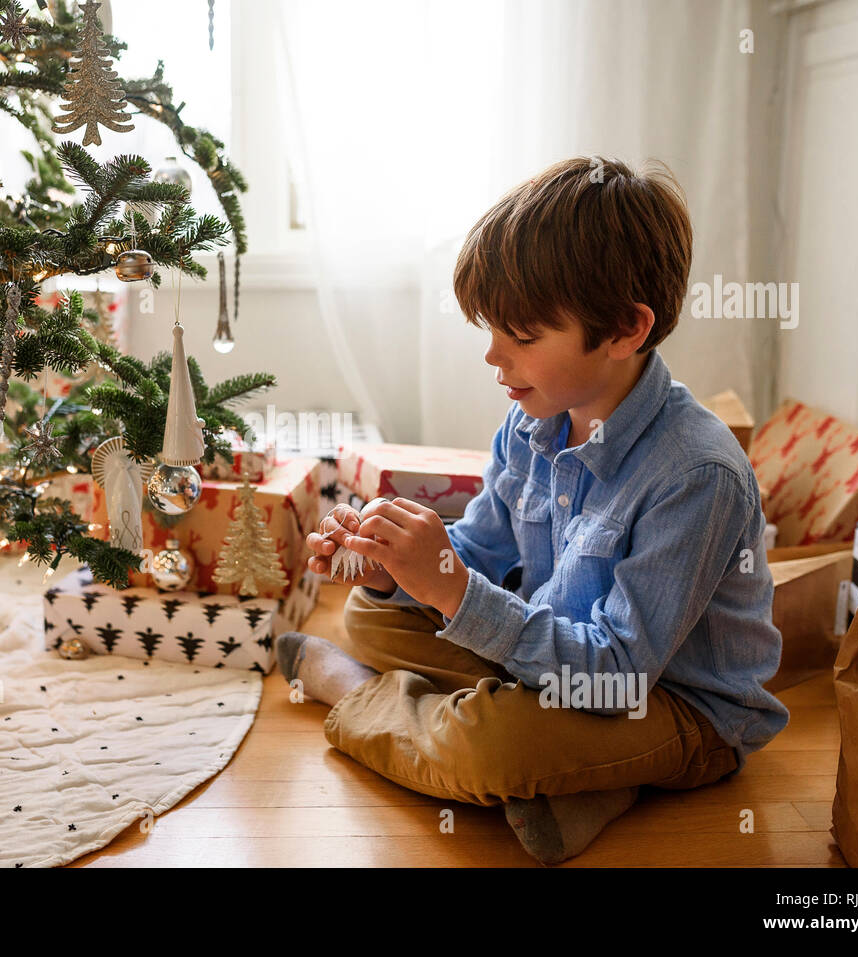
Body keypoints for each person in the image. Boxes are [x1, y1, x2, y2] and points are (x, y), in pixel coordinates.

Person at [277, 156, 789, 865]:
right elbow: (481, 550)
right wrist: (393, 564)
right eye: (492, 329)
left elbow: (614, 674)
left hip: (671, 703)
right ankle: (581, 783)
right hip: (553, 661)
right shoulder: (533, 420)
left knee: (496, 742)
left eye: (520, 336)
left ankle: (354, 693)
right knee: (370, 613)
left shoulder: (697, 475)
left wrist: (452, 589)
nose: (494, 356)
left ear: (624, 331)